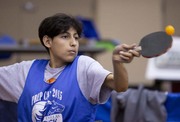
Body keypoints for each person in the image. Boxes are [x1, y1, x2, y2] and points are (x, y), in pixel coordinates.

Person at [0, 13, 140, 122]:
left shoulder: (83, 66)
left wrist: (117, 63)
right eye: (65, 37)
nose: (73, 43)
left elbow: (119, 86)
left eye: (76, 37)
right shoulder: (25, 71)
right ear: (47, 41)